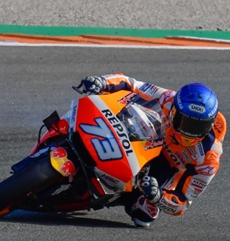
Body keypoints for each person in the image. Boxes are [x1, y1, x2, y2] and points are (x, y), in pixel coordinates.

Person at [76, 74, 224, 228]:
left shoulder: (209, 158)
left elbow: (183, 202)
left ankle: (111, 195)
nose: (189, 132)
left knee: (144, 215)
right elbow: (131, 84)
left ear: (210, 125)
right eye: (185, 122)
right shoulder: (168, 98)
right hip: (147, 135)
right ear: (175, 110)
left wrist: (158, 197)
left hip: (167, 167)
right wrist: (102, 81)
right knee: (108, 100)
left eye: (198, 126)